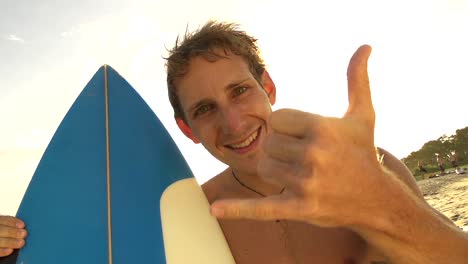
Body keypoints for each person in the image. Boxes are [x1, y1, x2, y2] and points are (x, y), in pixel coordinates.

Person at [1, 21, 468, 263]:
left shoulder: (369, 167)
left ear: (268, 88)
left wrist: (380, 206)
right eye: (204, 110)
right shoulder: (194, 215)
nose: (232, 121)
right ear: (187, 129)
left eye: (239, 91)